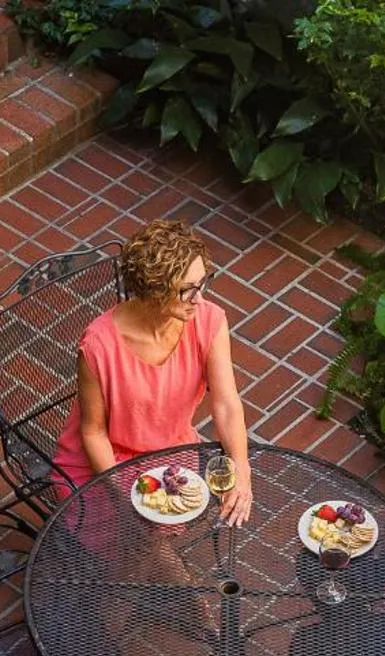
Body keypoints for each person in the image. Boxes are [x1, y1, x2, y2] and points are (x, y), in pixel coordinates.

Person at [55, 217, 254, 524]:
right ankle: (175, 572)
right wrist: (124, 500)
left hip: (168, 456)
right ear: (154, 290)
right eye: (187, 290)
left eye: (203, 283)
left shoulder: (210, 321)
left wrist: (241, 471)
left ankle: (163, 569)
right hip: (105, 466)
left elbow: (227, 405)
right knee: (146, 534)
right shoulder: (98, 345)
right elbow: (93, 432)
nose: (199, 300)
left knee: (153, 535)